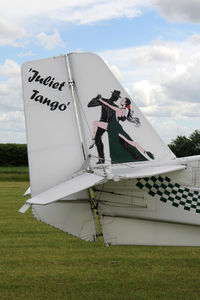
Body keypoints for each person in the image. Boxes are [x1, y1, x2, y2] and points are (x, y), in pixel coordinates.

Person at [89, 97, 154, 164]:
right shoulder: (124, 110)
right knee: (130, 141)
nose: (121, 100)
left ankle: (93, 140)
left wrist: (100, 100)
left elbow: (108, 105)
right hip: (114, 126)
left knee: (95, 123)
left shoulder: (120, 110)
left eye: (123, 100)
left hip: (113, 127)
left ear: (125, 103)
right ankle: (145, 152)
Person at [88, 90, 121, 164]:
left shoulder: (116, 106)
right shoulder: (104, 101)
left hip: (110, 124)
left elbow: (117, 118)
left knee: (114, 141)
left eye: (117, 97)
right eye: (116, 97)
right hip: (102, 123)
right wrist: (96, 98)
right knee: (97, 139)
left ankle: (113, 158)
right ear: (113, 95)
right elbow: (89, 105)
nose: (117, 99)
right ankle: (101, 159)